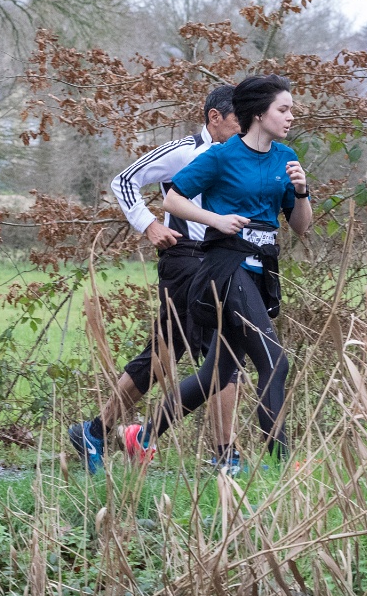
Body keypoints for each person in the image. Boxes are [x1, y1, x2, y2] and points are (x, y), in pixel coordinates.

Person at [123, 73, 312, 463]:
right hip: (225, 268)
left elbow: (300, 226)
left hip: (261, 272)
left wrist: (301, 192)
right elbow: (173, 200)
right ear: (259, 113)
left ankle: (143, 436)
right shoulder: (221, 156)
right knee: (274, 362)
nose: (291, 116)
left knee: (216, 372)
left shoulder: (285, 158)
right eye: (284, 109)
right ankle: (281, 466)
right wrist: (216, 220)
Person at [68, 86, 243, 474]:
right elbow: (124, 180)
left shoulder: (239, 156)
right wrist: (149, 225)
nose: (244, 126)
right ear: (215, 117)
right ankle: (225, 457)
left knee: (164, 355)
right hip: (186, 260)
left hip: (217, 261)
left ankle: (95, 431)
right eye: (238, 119)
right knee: (222, 353)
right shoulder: (184, 151)